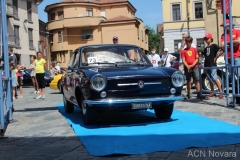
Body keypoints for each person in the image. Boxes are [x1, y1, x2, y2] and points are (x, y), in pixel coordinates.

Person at [202, 33, 223, 99]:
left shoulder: (214, 46)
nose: (206, 40)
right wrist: (204, 67)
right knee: (209, 78)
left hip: (212, 64)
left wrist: (216, 57)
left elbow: (222, 50)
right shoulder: (205, 49)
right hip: (207, 65)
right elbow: (205, 57)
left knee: (214, 78)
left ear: (211, 39)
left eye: (207, 39)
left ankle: (220, 91)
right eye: (205, 39)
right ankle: (212, 91)